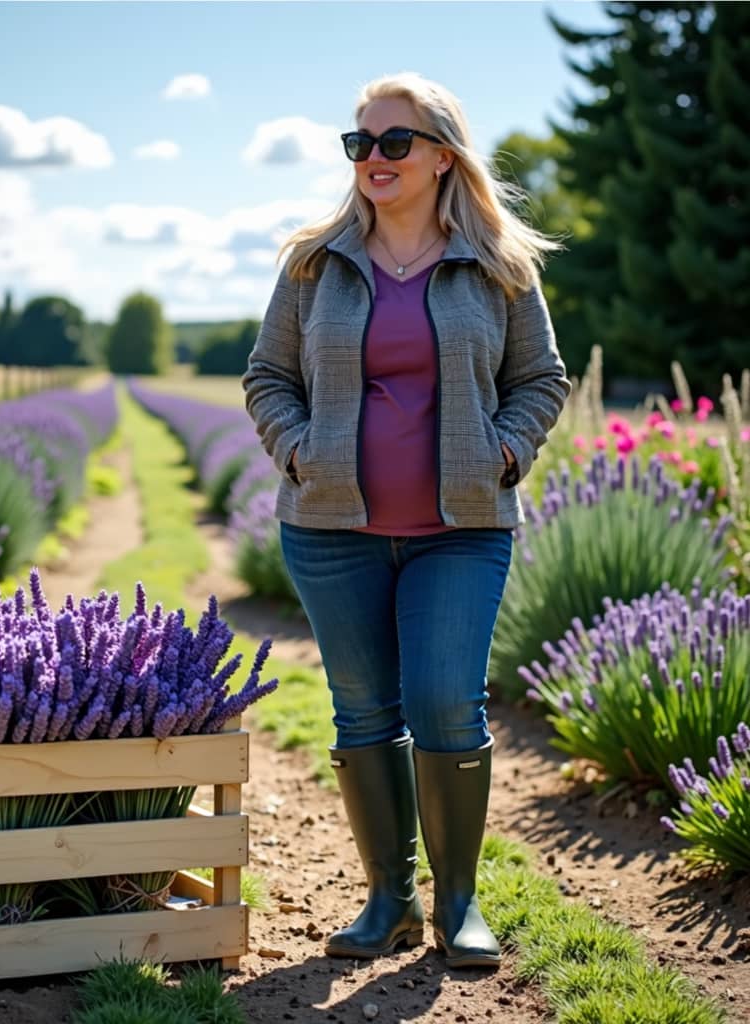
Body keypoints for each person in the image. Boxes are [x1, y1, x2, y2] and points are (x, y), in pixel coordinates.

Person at [241, 72, 570, 969]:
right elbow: (266, 376)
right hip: (330, 532)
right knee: (361, 713)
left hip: (461, 531)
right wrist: (299, 449)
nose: (373, 160)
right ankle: (387, 899)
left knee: (442, 704)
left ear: (441, 155)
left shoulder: (499, 266)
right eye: (360, 143)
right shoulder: (314, 262)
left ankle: (457, 905)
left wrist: (505, 449)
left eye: (393, 142)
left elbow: (543, 378)